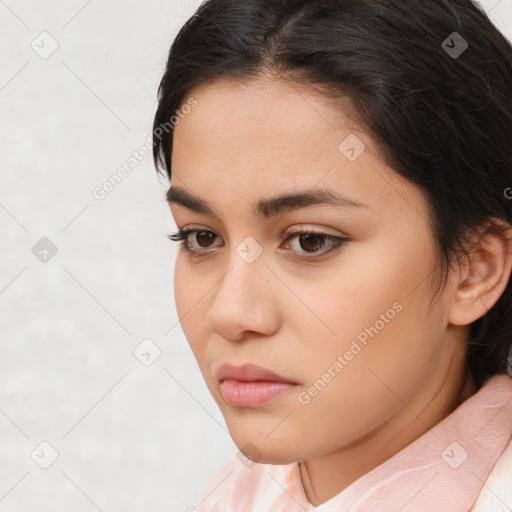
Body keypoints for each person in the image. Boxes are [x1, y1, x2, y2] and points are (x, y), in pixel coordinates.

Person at [152, 0, 512, 510]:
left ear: (477, 268)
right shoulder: (236, 495)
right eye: (202, 238)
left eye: (310, 241)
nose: (229, 314)